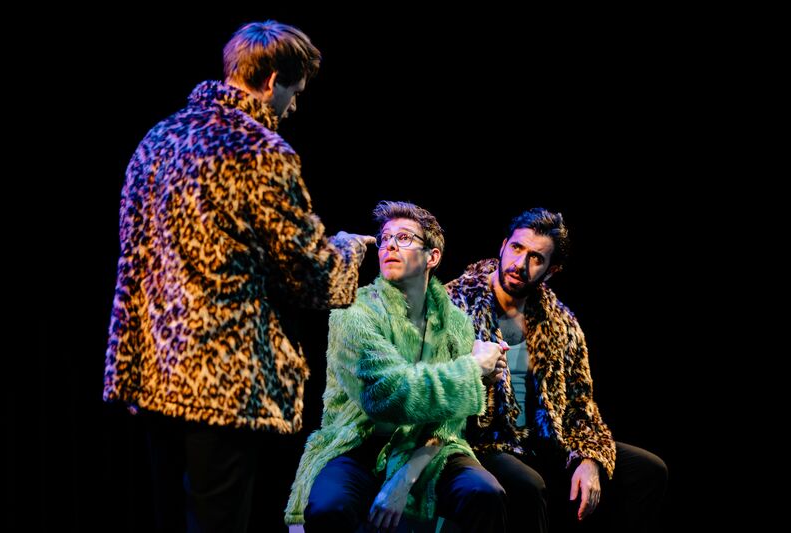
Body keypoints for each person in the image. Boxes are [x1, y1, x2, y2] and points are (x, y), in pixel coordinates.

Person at [102, 21, 374, 532]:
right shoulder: (259, 150)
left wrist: (129, 368)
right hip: (222, 377)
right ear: (271, 81)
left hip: (155, 372)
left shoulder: (157, 140)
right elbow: (310, 273)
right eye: (294, 91)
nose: (294, 106)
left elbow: (132, 265)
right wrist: (347, 249)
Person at [285, 201, 509, 532]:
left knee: (484, 493)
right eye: (385, 238)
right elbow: (388, 396)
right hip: (359, 444)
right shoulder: (354, 314)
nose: (389, 245)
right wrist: (472, 369)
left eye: (403, 237)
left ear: (432, 257)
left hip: (428, 448)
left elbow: (450, 419)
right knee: (329, 506)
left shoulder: (456, 323)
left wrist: (406, 476)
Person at [445, 207, 668, 532]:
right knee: (528, 484)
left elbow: (580, 405)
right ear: (503, 245)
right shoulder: (454, 304)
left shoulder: (561, 323)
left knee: (648, 470)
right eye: (517, 248)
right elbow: (432, 387)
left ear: (551, 270)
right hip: (483, 442)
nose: (520, 264)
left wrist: (589, 458)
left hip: (546, 443)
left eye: (536, 258)